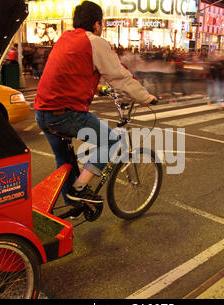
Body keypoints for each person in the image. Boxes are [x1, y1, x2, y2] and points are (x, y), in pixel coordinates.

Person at [34, 1, 156, 212]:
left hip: (42, 113)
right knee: (111, 141)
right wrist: (145, 98)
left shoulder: (65, 38)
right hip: (66, 114)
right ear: (97, 24)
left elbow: (71, 73)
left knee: (64, 160)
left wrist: (99, 89)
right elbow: (120, 77)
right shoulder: (95, 42)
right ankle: (80, 190)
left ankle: (73, 205)